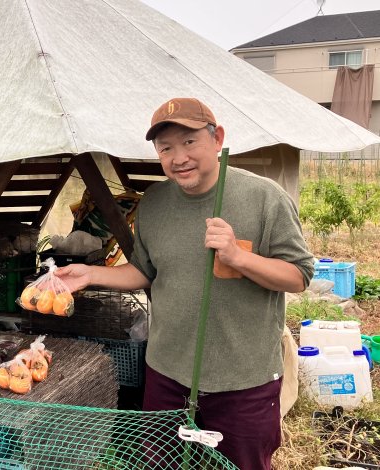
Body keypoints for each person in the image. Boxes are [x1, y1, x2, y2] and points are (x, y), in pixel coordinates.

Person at [55, 97, 314, 470]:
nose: (179, 157)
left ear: (217, 138)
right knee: (161, 464)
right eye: (166, 148)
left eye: (189, 142)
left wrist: (239, 257)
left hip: (243, 377)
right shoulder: (155, 202)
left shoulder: (264, 198)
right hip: (167, 371)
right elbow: (144, 271)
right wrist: (90, 274)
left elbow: (299, 276)